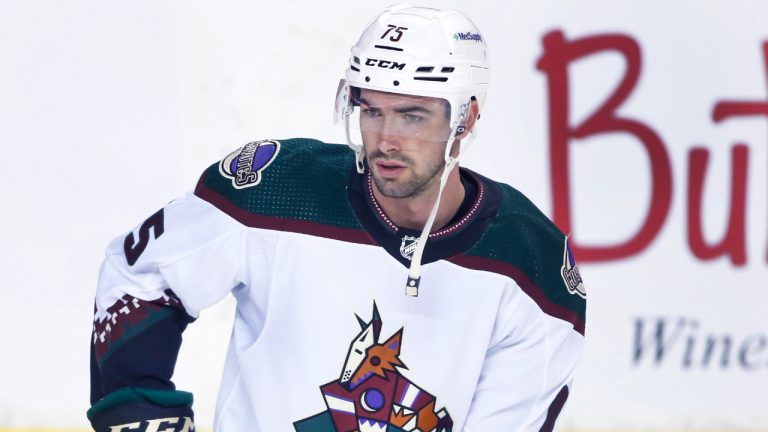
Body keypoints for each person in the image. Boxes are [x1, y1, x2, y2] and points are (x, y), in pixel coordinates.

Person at [88, 4, 586, 432]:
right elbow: (142, 274)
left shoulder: (532, 263)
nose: (386, 139)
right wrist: (138, 405)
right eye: (372, 111)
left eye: (412, 115)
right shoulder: (275, 191)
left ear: (467, 118)